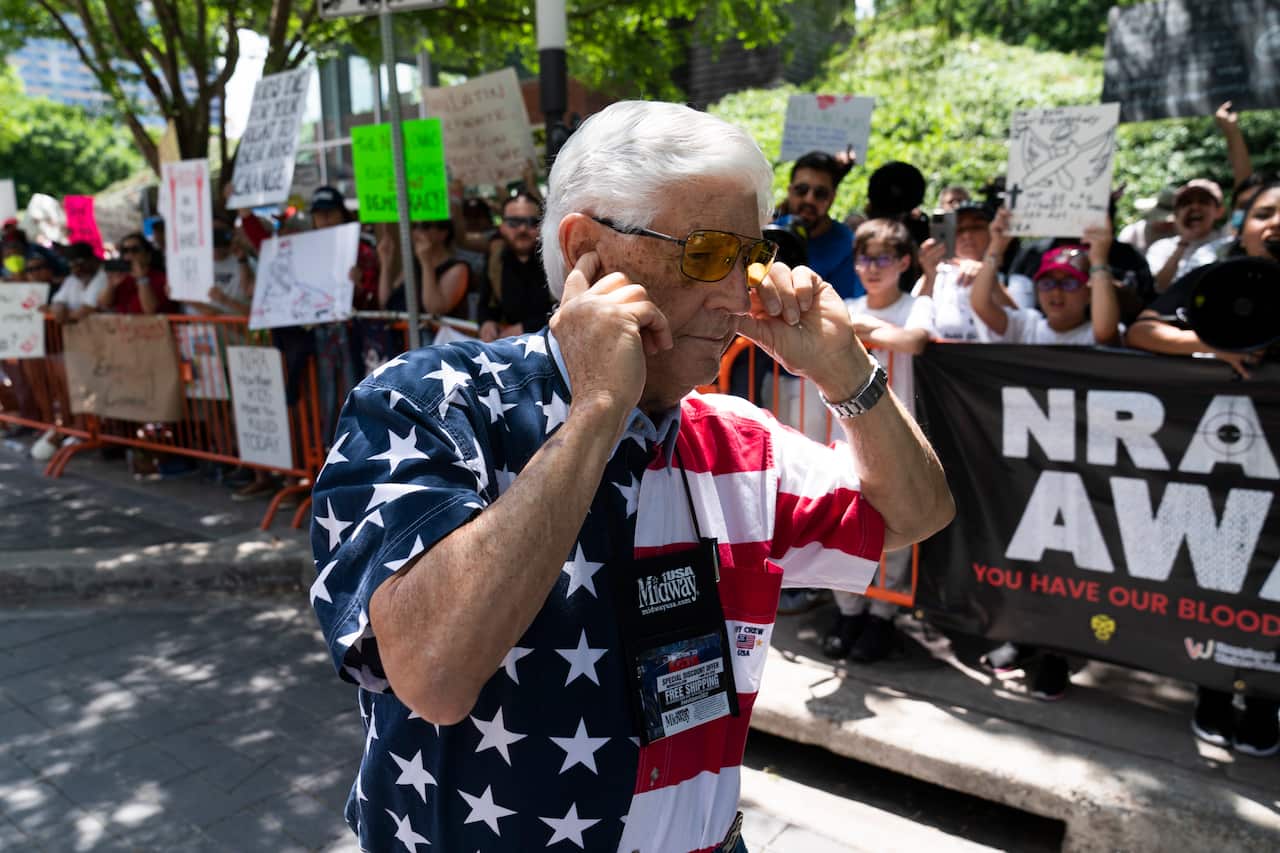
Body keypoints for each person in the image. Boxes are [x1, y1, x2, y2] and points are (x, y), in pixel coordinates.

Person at [309, 100, 954, 853]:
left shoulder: (736, 439)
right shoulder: (433, 399)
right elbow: (435, 673)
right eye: (707, 253)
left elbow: (915, 515)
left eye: (754, 256)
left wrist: (846, 370)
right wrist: (597, 411)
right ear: (587, 247)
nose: (737, 292)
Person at [1126, 179, 1280, 755]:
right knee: (1220, 572)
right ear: (1240, 224)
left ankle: (1266, 700)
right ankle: (1213, 688)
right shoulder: (1213, 279)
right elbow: (1140, 330)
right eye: (1264, 212)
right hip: (1221, 463)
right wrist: (1212, 347)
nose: (1274, 223)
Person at [823, 218, 937, 662]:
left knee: (898, 523)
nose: (871, 268)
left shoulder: (914, 306)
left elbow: (914, 341)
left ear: (904, 263)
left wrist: (865, 333)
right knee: (841, 521)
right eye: (864, 259)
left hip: (899, 432)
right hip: (844, 431)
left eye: (883, 259)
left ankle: (882, 616)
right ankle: (848, 610)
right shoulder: (846, 303)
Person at [971, 209, 1121, 348]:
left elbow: (1105, 331)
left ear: (1089, 293)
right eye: (1047, 283)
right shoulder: (1026, 326)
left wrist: (1099, 259)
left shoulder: (1092, 334)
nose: (1056, 292)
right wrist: (997, 245)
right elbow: (980, 304)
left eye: (1069, 284)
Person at [774, 150, 861, 299]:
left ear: (832, 198)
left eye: (820, 193)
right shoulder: (771, 233)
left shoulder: (848, 246)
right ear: (790, 191)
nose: (809, 199)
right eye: (801, 190)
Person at [477, 193, 554, 342]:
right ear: (502, 227)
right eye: (514, 222)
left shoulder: (556, 259)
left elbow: (567, 307)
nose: (522, 229)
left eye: (531, 222)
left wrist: (526, 328)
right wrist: (487, 323)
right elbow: (486, 304)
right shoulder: (496, 258)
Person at [375, 219, 472, 319]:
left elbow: (434, 309)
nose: (417, 232)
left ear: (443, 233)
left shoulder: (458, 268)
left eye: (425, 227)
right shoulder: (414, 264)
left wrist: (426, 262)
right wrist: (385, 263)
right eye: (414, 227)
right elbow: (387, 302)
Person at [1146, 179, 1225, 293]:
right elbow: (1159, 287)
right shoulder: (1161, 248)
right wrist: (1183, 242)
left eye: (1203, 201)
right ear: (1176, 213)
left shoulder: (1228, 240)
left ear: (1219, 211)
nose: (1195, 207)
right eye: (1186, 203)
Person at [97, 233, 172, 315]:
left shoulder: (161, 278)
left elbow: (150, 310)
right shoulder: (122, 277)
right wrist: (111, 285)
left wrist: (142, 279)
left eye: (135, 250)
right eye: (125, 250)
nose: (130, 255)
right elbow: (104, 304)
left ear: (148, 256)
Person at [48, 242, 105, 323]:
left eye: (79, 263)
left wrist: (65, 316)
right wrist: (59, 308)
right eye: (71, 265)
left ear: (92, 260)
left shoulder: (104, 277)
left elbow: (87, 309)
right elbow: (57, 301)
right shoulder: (72, 279)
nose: (75, 269)